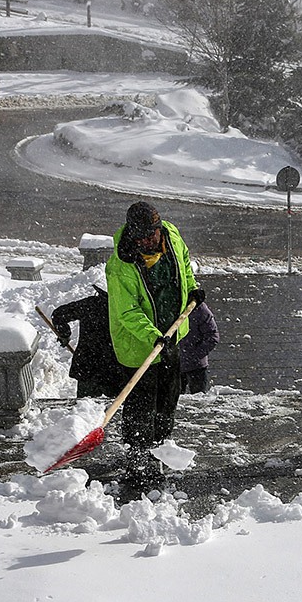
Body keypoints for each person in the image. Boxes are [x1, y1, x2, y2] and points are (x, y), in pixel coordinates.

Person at [106, 201, 203, 487]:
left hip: (171, 337)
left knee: (167, 399)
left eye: (154, 234)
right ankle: (137, 457)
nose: (151, 240)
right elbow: (127, 311)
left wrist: (193, 286)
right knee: (140, 406)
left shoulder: (171, 235)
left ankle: (159, 449)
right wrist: (153, 337)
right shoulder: (120, 267)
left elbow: (184, 264)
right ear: (133, 236)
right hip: (138, 347)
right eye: (144, 237)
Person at [50, 285, 127, 399]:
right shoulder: (127, 308)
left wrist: (64, 334)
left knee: (85, 409)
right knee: (115, 408)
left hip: (88, 365)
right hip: (115, 367)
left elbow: (59, 314)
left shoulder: (92, 304)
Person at [179, 299, 219, 393]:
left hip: (196, 366)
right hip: (174, 365)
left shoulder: (199, 309)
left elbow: (212, 336)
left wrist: (194, 356)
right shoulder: (169, 306)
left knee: (199, 399)